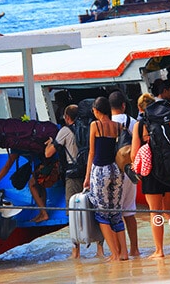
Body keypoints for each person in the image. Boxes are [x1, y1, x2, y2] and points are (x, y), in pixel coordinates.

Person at [131, 93, 170, 258]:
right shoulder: (168, 120)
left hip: (152, 173)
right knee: (169, 209)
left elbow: (135, 153)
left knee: (155, 211)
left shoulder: (140, 124)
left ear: (141, 108)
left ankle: (159, 250)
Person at [45, 104, 104, 258]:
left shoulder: (64, 131)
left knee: (73, 212)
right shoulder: (89, 128)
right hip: (89, 172)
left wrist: (51, 142)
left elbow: (48, 154)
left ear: (67, 117)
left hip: (73, 176)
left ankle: (75, 251)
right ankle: (100, 249)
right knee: (95, 210)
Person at [83, 97, 128, 262]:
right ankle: (124, 253)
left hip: (100, 171)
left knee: (102, 214)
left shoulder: (95, 125)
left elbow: (91, 153)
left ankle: (115, 254)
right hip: (115, 170)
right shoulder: (117, 126)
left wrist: (87, 177)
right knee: (116, 213)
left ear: (96, 110)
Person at [109, 90, 140, 257]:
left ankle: (121, 251)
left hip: (113, 170)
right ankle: (135, 248)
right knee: (130, 211)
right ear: (123, 105)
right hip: (130, 170)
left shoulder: (105, 123)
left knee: (115, 213)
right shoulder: (132, 122)